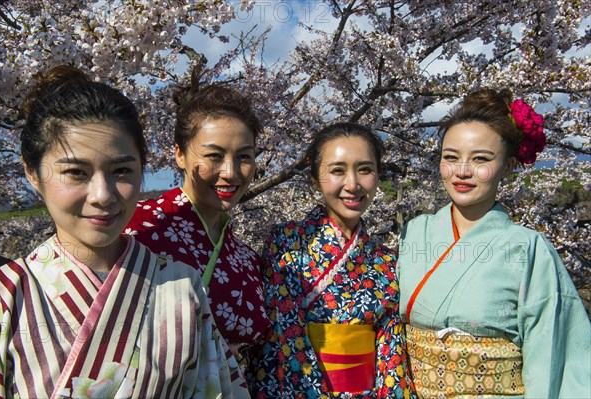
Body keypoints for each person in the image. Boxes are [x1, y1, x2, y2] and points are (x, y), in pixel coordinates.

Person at [0, 65, 249, 398]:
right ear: (33, 173)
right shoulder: (3, 297)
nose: (103, 195)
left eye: (122, 171)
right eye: (76, 172)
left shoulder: (181, 286)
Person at [397, 88, 591, 398]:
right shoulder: (414, 233)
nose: (462, 171)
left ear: (509, 166)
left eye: (481, 159)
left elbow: (552, 354)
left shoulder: (529, 248)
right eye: (451, 157)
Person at [248, 123, 416, 398]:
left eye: (365, 169)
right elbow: (283, 332)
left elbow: (390, 350)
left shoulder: (387, 261)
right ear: (315, 178)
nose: (353, 184)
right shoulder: (285, 242)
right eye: (337, 170)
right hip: (295, 388)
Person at [125, 84, 269, 354]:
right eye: (214, 156)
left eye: (244, 157)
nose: (230, 172)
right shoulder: (139, 226)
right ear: (179, 154)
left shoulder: (247, 259)